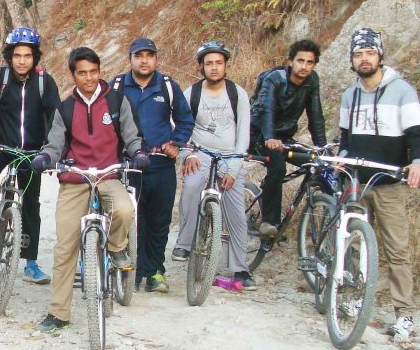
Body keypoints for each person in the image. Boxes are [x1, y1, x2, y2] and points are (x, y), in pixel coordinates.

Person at [30, 47, 145, 332]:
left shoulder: (117, 102)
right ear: (73, 75)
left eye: (93, 72)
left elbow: (131, 135)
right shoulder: (65, 108)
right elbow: (55, 143)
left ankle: (117, 248)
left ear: (99, 71)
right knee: (65, 246)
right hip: (75, 178)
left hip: (108, 174)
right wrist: (46, 158)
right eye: (82, 73)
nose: (89, 78)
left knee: (125, 209)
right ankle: (59, 313)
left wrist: (138, 151)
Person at [339, 28, 420, 338]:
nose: (364, 59)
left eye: (370, 53)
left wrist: (418, 161)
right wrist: (341, 156)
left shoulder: (402, 90)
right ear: (352, 59)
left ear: (380, 56)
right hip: (356, 180)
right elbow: (345, 138)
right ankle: (352, 297)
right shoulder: (349, 94)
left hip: (389, 181)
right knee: (353, 242)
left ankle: (404, 312)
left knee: (397, 249)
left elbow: (418, 132)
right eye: (358, 54)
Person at [0, 27, 60, 284]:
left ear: (35, 57)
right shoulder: (1, 78)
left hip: (32, 152)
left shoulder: (45, 82)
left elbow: (57, 118)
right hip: (0, 146)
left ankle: (31, 263)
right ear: (10, 56)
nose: (22, 60)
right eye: (17, 55)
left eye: (27, 55)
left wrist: (53, 149)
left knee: (31, 203)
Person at [113, 38, 194, 293]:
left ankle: (155, 273)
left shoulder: (168, 86)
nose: (144, 60)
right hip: (128, 163)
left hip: (160, 162)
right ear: (131, 59)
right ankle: (130, 271)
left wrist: (177, 143)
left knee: (159, 219)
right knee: (131, 219)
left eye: (149, 55)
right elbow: (106, 119)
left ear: (156, 59)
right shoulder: (116, 86)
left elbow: (185, 119)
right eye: (139, 56)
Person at [173, 41, 256, 289]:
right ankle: (185, 244)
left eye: (218, 62)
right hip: (200, 153)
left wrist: (235, 166)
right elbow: (181, 126)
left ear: (225, 65)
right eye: (209, 63)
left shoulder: (237, 93)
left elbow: (243, 132)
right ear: (201, 66)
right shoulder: (191, 93)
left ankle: (240, 269)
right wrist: (187, 155)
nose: (214, 67)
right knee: (191, 186)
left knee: (236, 212)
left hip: (230, 155)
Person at [250, 39, 327, 239]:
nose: (304, 66)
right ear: (290, 61)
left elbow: (316, 117)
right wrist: (269, 137)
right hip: (259, 135)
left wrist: (322, 148)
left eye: (310, 62)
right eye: (300, 61)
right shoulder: (275, 79)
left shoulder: (312, 80)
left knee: (319, 164)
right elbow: (267, 110)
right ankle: (269, 222)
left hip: (284, 137)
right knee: (277, 167)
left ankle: (327, 217)